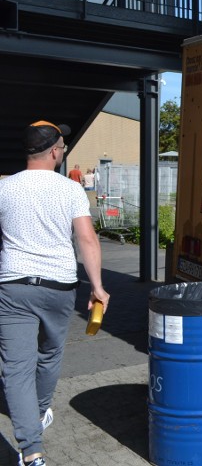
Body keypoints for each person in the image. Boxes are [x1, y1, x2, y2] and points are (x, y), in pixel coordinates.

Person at [0, 120, 110, 466]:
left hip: (13, 287)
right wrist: (98, 287)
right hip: (59, 287)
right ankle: (41, 410)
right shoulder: (70, 189)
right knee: (49, 355)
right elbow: (87, 239)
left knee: (15, 369)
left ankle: (31, 450)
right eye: (62, 147)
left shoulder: (4, 187)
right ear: (53, 152)